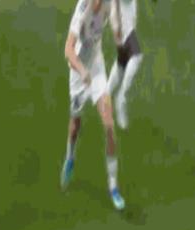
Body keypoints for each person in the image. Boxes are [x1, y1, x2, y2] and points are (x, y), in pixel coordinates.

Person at [61, 0, 125, 211]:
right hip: (78, 72)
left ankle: (113, 186)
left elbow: (116, 23)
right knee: (75, 126)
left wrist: (118, 34)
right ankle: (70, 157)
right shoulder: (82, 8)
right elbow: (68, 50)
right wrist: (82, 71)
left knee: (109, 125)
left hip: (96, 68)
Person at [107, 0, 142, 129]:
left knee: (123, 61)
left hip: (124, 18)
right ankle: (121, 97)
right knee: (136, 56)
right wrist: (117, 24)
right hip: (123, 22)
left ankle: (106, 92)